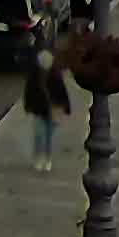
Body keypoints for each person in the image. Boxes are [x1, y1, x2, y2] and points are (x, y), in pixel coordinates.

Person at [23, 45, 69, 173]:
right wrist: (28, 106)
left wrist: (66, 107)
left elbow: (62, 92)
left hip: (52, 110)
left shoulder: (55, 76)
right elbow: (29, 92)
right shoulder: (34, 76)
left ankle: (47, 159)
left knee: (47, 136)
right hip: (39, 109)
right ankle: (39, 158)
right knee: (39, 135)